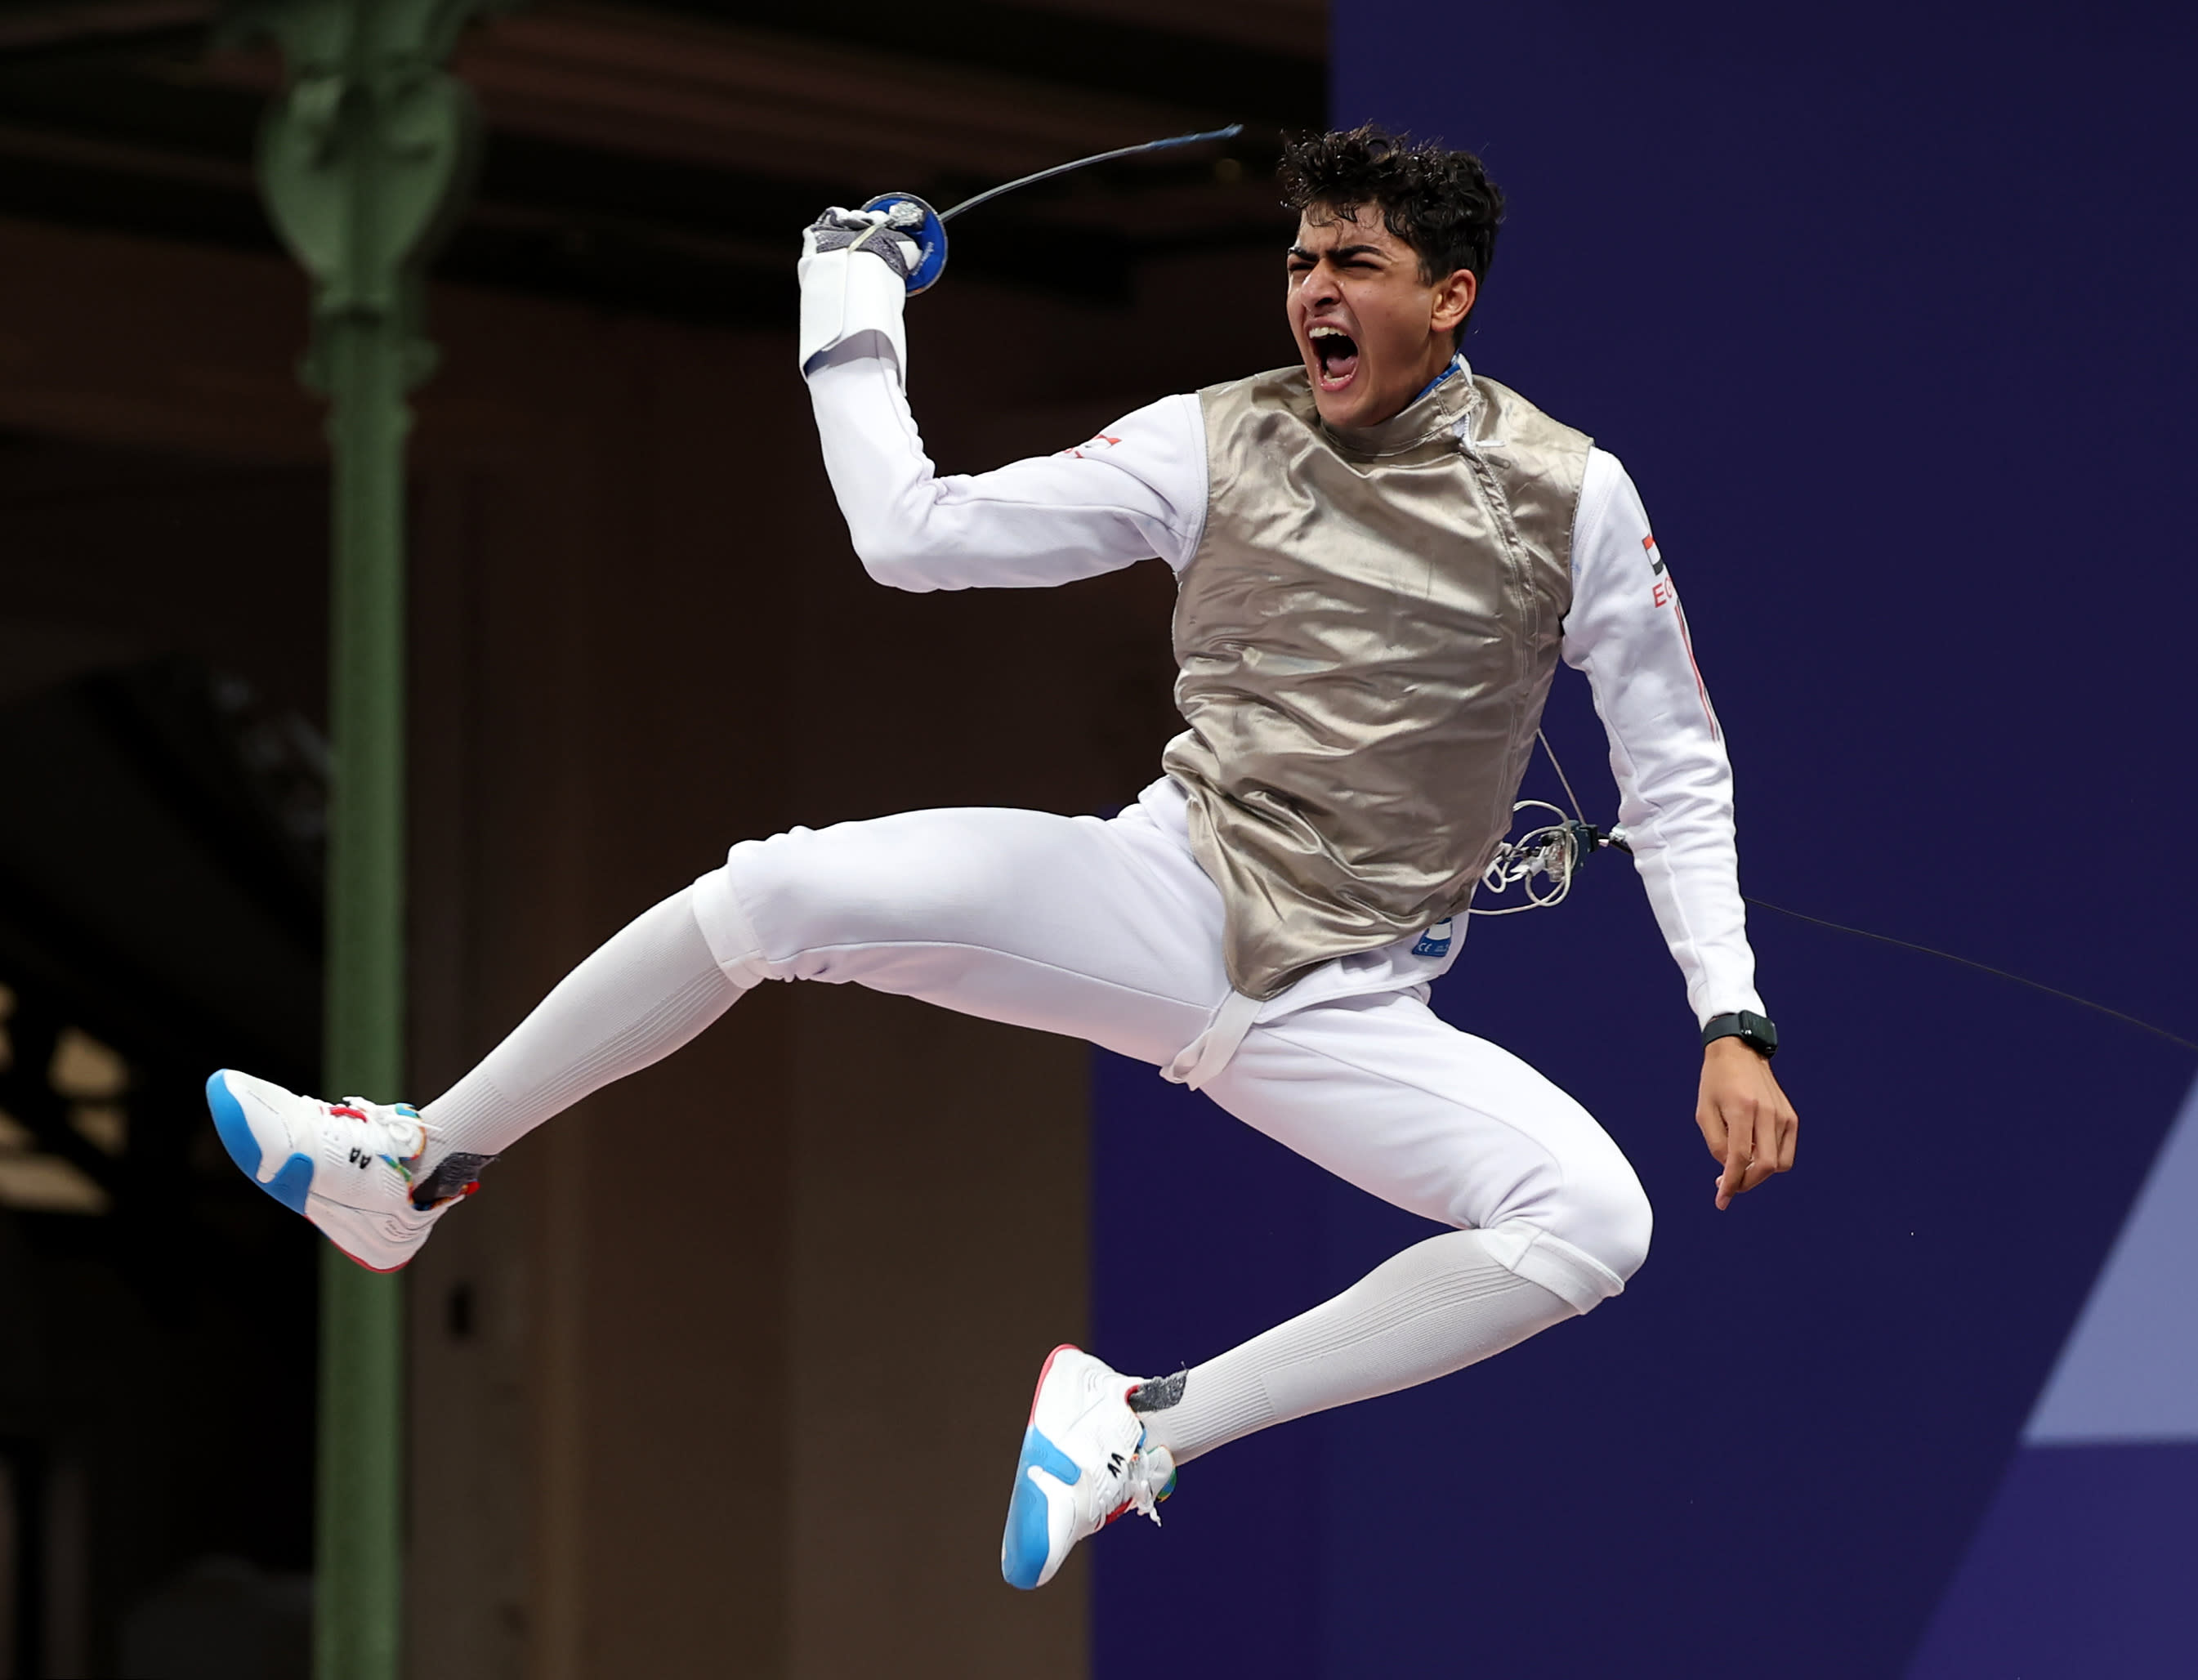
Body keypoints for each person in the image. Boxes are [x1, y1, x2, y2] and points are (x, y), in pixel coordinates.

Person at [205, 124, 1798, 1593]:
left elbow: (1668, 755)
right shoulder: (1211, 446)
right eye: (1302, 258)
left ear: (1447, 300)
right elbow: (912, 533)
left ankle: (1145, 1419)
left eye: (1356, 264)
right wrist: (848, 305)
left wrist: (1727, 1016)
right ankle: (407, 1163)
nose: (1315, 289)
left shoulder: (1571, 495)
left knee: (1593, 1217)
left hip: (1351, 1016)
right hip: (1160, 902)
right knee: (777, 889)